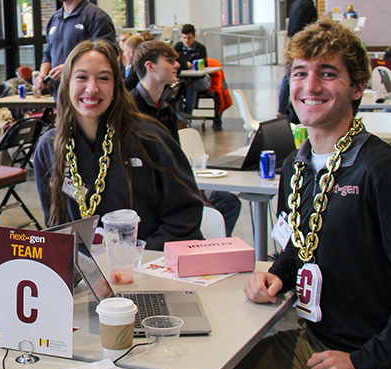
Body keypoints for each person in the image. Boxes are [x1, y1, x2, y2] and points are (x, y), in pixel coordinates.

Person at [176, 19, 391, 369]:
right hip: (318, 340)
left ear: (357, 88)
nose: (309, 86)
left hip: (379, 366)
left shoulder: (380, 170)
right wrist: (279, 272)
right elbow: (303, 244)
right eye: (298, 72)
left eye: (327, 73)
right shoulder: (300, 163)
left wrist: (365, 361)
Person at [33, 40, 203, 251]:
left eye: (103, 78)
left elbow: (186, 213)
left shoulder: (150, 137)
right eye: (82, 77)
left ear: (116, 86)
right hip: (85, 274)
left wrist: (138, 260)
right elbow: (56, 223)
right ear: (67, 83)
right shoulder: (49, 146)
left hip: (152, 268)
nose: (92, 88)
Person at [131, 40, 242, 237]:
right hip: (152, 195)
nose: (177, 65)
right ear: (150, 66)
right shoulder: (131, 110)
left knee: (229, 202)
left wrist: (195, 193)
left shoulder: (167, 109)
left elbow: (177, 160)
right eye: (169, 60)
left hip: (171, 187)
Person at [33, 0, 116, 97]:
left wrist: (70, 68)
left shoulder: (96, 16)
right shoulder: (55, 19)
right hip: (60, 95)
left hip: (88, 95)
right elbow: (47, 54)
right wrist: (42, 75)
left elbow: (108, 54)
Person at [278, 0, 317, 117]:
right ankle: (287, 108)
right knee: (292, 77)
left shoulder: (297, 3)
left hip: (292, 42)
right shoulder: (307, 5)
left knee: (289, 76)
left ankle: (283, 107)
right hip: (300, 45)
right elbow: (306, 28)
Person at [174, 24, 211, 116]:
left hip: (200, 79)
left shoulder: (200, 48)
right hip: (183, 78)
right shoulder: (178, 47)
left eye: (189, 38)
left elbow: (204, 66)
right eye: (184, 38)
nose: (186, 41)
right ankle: (180, 115)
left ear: (194, 36)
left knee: (191, 87)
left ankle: (188, 114)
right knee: (176, 88)